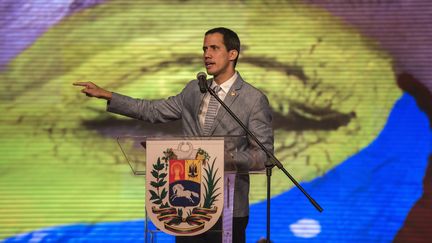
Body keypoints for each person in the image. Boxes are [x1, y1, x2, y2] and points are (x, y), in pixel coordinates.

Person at [74, 27, 274, 243]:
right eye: (204, 49)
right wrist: (109, 95)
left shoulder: (253, 99)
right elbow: (152, 110)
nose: (207, 54)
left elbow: (263, 156)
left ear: (232, 54)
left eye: (214, 48)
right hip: (187, 209)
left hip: (228, 207)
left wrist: (225, 158)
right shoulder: (194, 90)